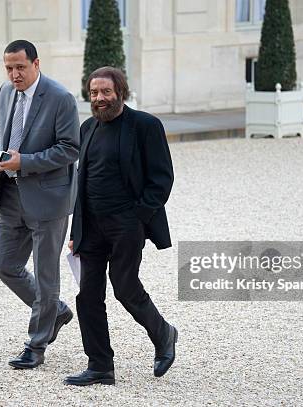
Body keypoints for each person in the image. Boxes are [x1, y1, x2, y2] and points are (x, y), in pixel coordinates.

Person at [64, 67, 177, 386]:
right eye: (94, 93)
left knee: (125, 287)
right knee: (87, 296)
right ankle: (100, 365)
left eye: (106, 92)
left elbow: (162, 179)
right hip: (91, 227)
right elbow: (81, 183)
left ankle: (164, 334)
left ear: (121, 93)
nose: (100, 98)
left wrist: (138, 217)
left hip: (126, 224)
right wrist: (76, 231)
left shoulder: (145, 125)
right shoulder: (87, 128)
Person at [0, 40, 80, 369]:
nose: (14, 74)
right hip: (10, 195)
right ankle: (58, 312)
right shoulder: (5, 93)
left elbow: (70, 149)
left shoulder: (61, 98)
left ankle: (36, 346)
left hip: (49, 198)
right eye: (8, 68)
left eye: (20, 67)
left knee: (46, 276)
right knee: (5, 265)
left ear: (36, 63)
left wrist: (26, 162)